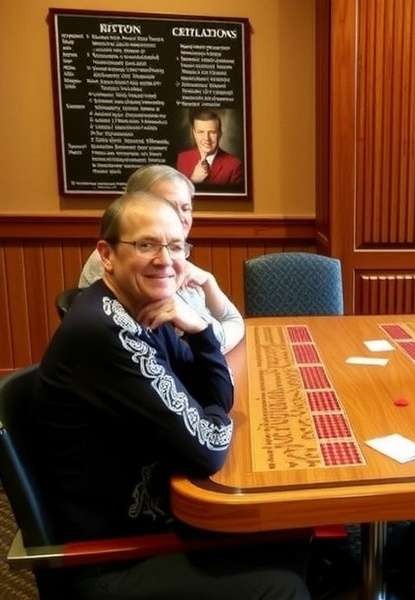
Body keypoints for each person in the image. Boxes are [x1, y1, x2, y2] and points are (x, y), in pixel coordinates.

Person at [34, 192, 309, 599]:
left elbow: (218, 393)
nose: (165, 259)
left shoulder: (150, 306)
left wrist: (199, 331)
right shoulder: (106, 331)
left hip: (155, 521)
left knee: (294, 532)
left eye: (176, 245)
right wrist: (212, 415)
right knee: (283, 585)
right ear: (106, 254)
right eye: (146, 244)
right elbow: (210, 446)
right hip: (111, 560)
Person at [79, 165, 244, 353]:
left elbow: (231, 322)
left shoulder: (171, 255)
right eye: (168, 206)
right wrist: (209, 331)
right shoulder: (126, 263)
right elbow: (213, 341)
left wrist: (208, 281)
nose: (180, 217)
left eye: (186, 208)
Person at [176, 109, 243, 185]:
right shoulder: (183, 158)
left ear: (220, 133)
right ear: (194, 133)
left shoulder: (234, 165)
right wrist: (194, 180)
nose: (206, 138)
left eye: (212, 132)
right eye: (200, 132)